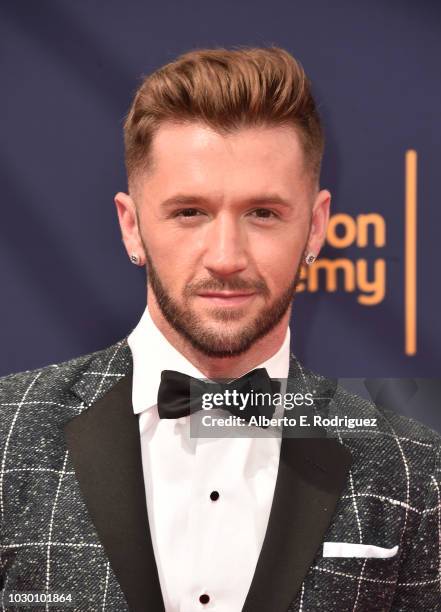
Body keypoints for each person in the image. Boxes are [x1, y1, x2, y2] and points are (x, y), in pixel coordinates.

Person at [0, 47, 440, 612]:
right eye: (190, 213)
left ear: (316, 227)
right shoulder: (7, 436)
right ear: (132, 227)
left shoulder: (414, 473)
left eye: (263, 213)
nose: (226, 256)